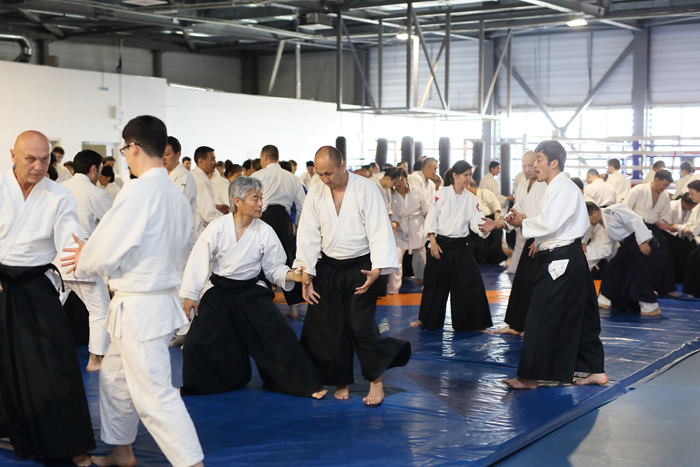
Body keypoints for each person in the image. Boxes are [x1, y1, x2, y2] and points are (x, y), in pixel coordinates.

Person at [62, 116, 204, 467]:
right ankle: (122, 451)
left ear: (134, 147)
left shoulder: (139, 190)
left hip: (142, 306)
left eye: (125, 149)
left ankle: (192, 463)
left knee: (155, 394)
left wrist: (85, 256)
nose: (125, 155)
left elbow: (109, 245)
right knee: (114, 378)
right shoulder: (172, 191)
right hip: (149, 302)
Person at [179, 177, 326, 399]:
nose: (261, 204)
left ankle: (304, 385)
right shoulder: (217, 227)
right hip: (220, 290)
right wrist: (190, 295)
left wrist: (296, 275)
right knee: (195, 342)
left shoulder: (264, 230)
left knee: (279, 337)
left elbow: (274, 268)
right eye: (255, 199)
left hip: (251, 291)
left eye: (261, 198)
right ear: (237, 201)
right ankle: (203, 384)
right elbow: (198, 260)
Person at [0, 131, 95, 466]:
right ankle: (10, 427)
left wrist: (82, 251)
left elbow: (68, 235)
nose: (39, 166)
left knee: (54, 363)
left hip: (35, 283)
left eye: (45, 159)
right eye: (31, 159)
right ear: (13, 154)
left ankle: (69, 443)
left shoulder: (59, 196)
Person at [294, 146, 410, 406]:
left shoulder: (365, 189)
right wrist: (306, 272)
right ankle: (341, 380)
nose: (325, 179)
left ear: (343, 165)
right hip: (329, 267)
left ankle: (375, 382)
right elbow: (308, 234)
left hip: (362, 267)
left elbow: (379, 229)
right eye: (321, 174)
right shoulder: (316, 191)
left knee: (361, 325)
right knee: (330, 327)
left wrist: (378, 270)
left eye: (329, 173)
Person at [502, 140, 607, 390]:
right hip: (569, 258)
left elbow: (549, 224)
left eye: (538, 160)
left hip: (561, 260)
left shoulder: (562, 187)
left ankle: (529, 377)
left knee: (539, 316)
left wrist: (522, 224)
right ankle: (595, 371)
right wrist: (526, 221)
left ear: (554, 162)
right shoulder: (556, 186)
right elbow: (550, 221)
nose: (534, 165)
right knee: (583, 315)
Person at [413, 160, 493, 333]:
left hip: (460, 245)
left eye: (470, 175)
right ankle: (425, 319)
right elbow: (431, 217)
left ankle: (473, 324)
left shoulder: (471, 198)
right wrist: (432, 242)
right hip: (440, 244)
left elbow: (476, 223)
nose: (468, 179)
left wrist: (484, 228)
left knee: (471, 283)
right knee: (434, 285)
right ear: (455, 176)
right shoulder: (441, 194)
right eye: (465, 175)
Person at [58, 149, 113, 371]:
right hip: (84, 258)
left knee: (49, 308)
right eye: (99, 170)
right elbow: (114, 224)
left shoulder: (59, 189)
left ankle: (36, 354)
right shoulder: (95, 193)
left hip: (58, 260)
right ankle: (95, 360)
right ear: (93, 169)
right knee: (100, 310)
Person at [482, 150, 547, 335]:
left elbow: (548, 217)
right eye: (523, 166)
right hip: (528, 240)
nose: (527, 170)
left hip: (541, 242)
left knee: (537, 287)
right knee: (521, 284)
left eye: (530, 165)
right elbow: (514, 213)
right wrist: (497, 223)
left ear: (538, 164)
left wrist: (539, 238)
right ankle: (515, 325)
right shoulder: (522, 186)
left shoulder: (547, 186)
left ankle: (536, 327)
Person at [251, 144, 306, 318]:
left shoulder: (257, 175)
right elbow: (302, 205)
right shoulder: (292, 178)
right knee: (289, 259)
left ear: (264, 157)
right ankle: (294, 307)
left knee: (260, 259)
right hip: (284, 220)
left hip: (263, 219)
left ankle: (263, 305)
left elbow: (250, 201)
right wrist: (296, 227)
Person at [589, 202, 660, 316]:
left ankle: (651, 308)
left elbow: (636, 220)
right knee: (611, 269)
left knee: (639, 275)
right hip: (627, 246)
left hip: (639, 242)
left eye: (587, 217)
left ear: (595, 213)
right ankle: (605, 300)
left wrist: (643, 240)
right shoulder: (602, 222)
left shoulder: (613, 210)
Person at [163, 136, 199, 347]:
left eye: (167, 154)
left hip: (182, 239)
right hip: (168, 239)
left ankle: (188, 329)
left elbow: (174, 208)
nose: (163, 158)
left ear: (178, 154)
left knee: (182, 284)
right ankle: (180, 328)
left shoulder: (183, 177)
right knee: (172, 284)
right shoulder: (166, 176)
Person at [624, 169, 678, 296]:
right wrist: (639, 236)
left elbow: (664, 214)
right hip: (635, 226)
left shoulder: (664, 196)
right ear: (656, 179)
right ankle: (646, 288)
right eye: (664, 185)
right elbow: (625, 210)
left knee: (663, 255)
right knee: (642, 258)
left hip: (653, 227)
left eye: (667, 186)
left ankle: (666, 288)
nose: (665, 188)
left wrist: (668, 224)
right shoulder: (638, 190)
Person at [387, 167, 428, 294]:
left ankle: (425, 280)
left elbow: (426, 209)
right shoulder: (391, 194)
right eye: (397, 180)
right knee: (397, 257)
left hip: (417, 225)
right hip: (400, 228)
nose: (400, 183)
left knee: (422, 255)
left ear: (406, 178)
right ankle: (393, 288)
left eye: (402, 179)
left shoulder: (416, 191)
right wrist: (394, 223)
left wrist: (430, 228)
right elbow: (392, 213)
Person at [657, 180, 700, 298]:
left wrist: (674, 227)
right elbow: (690, 225)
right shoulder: (697, 207)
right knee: (692, 260)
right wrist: (672, 227)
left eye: (692, 193)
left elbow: (694, 228)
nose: (690, 196)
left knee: (694, 260)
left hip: (691, 235)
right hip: (673, 235)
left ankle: (696, 292)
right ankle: (696, 292)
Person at [659, 192, 697, 283]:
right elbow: (665, 224)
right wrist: (679, 232)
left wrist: (682, 233)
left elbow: (690, 225)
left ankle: (681, 278)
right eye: (690, 205)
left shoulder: (693, 209)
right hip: (667, 234)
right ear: (683, 202)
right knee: (670, 257)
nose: (691, 208)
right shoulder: (671, 206)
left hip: (682, 233)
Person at [466, 180, 507, 265]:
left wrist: (496, 219)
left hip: (490, 219)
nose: (466, 190)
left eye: (468, 188)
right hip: (477, 220)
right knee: (476, 243)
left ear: (474, 187)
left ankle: (497, 260)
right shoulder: (469, 197)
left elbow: (496, 205)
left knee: (493, 245)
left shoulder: (485, 193)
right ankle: (480, 260)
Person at [191, 145, 227, 235]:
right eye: (212, 159)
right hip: (197, 229)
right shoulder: (202, 181)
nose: (215, 163)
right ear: (200, 161)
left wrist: (215, 206)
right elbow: (208, 214)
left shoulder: (192, 175)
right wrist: (228, 219)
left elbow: (196, 203)